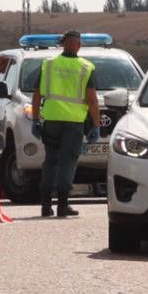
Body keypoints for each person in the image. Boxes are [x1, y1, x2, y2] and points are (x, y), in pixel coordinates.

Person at [31, 29, 101, 218]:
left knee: (51, 161)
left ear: (63, 44)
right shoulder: (86, 67)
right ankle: (63, 205)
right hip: (74, 123)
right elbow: (92, 100)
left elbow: (37, 96)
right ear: (79, 45)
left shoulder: (48, 65)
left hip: (52, 120)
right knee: (67, 162)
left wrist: (35, 120)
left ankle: (45, 206)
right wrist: (96, 124)